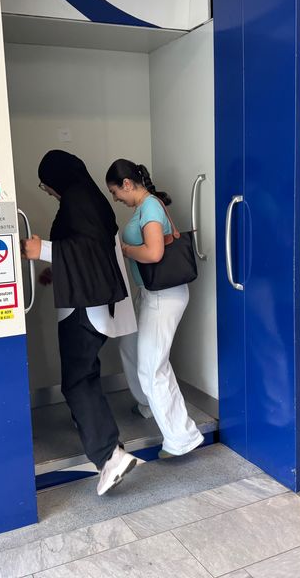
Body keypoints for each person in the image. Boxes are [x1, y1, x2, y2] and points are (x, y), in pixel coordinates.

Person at [21, 150, 139, 496]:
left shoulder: (78, 200)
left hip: (84, 307)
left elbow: (87, 250)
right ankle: (97, 435)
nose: (48, 191)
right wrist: (55, 268)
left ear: (57, 177)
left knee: (77, 381)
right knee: (84, 374)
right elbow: (88, 250)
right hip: (90, 301)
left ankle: (109, 455)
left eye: (46, 185)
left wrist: (43, 250)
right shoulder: (89, 199)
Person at [105, 159, 204, 458]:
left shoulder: (149, 207)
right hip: (152, 293)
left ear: (127, 184)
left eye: (115, 192)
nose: (115, 199)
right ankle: (149, 403)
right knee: (129, 346)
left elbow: (154, 253)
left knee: (152, 367)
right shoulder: (147, 207)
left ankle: (181, 438)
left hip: (163, 296)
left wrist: (124, 250)